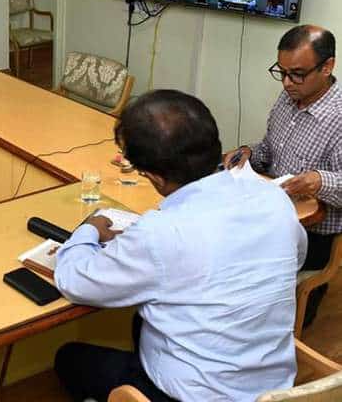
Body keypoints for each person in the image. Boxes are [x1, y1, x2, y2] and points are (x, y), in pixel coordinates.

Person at [54, 90, 306, 401]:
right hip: (271, 388)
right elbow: (296, 257)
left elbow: (75, 281)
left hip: (193, 394)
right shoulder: (274, 198)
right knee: (142, 322)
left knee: (69, 358)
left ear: (155, 177)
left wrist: (88, 230)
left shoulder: (161, 232)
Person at [224, 25, 339, 328]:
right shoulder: (289, 97)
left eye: (297, 74)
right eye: (282, 72)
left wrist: (318, 181)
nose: (287, 83)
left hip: (312, 233)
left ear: (327, 67)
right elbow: (270, 152)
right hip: (269, 213)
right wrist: (249, 153)